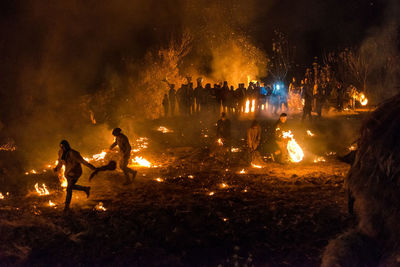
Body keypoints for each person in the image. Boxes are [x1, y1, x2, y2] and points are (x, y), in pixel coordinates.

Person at [54, 140, 95, 211]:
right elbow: (60, 162)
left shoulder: (73, 153)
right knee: (70, 187)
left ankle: (66, 206)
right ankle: (85, 189)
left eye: (64, 146)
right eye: (61, 147)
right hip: (68, 173)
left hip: (75, 172)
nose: (62, 148)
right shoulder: (60, 152)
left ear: (67, 146)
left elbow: (83, 161)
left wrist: (91, 167)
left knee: (69, 189)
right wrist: (57, 168)